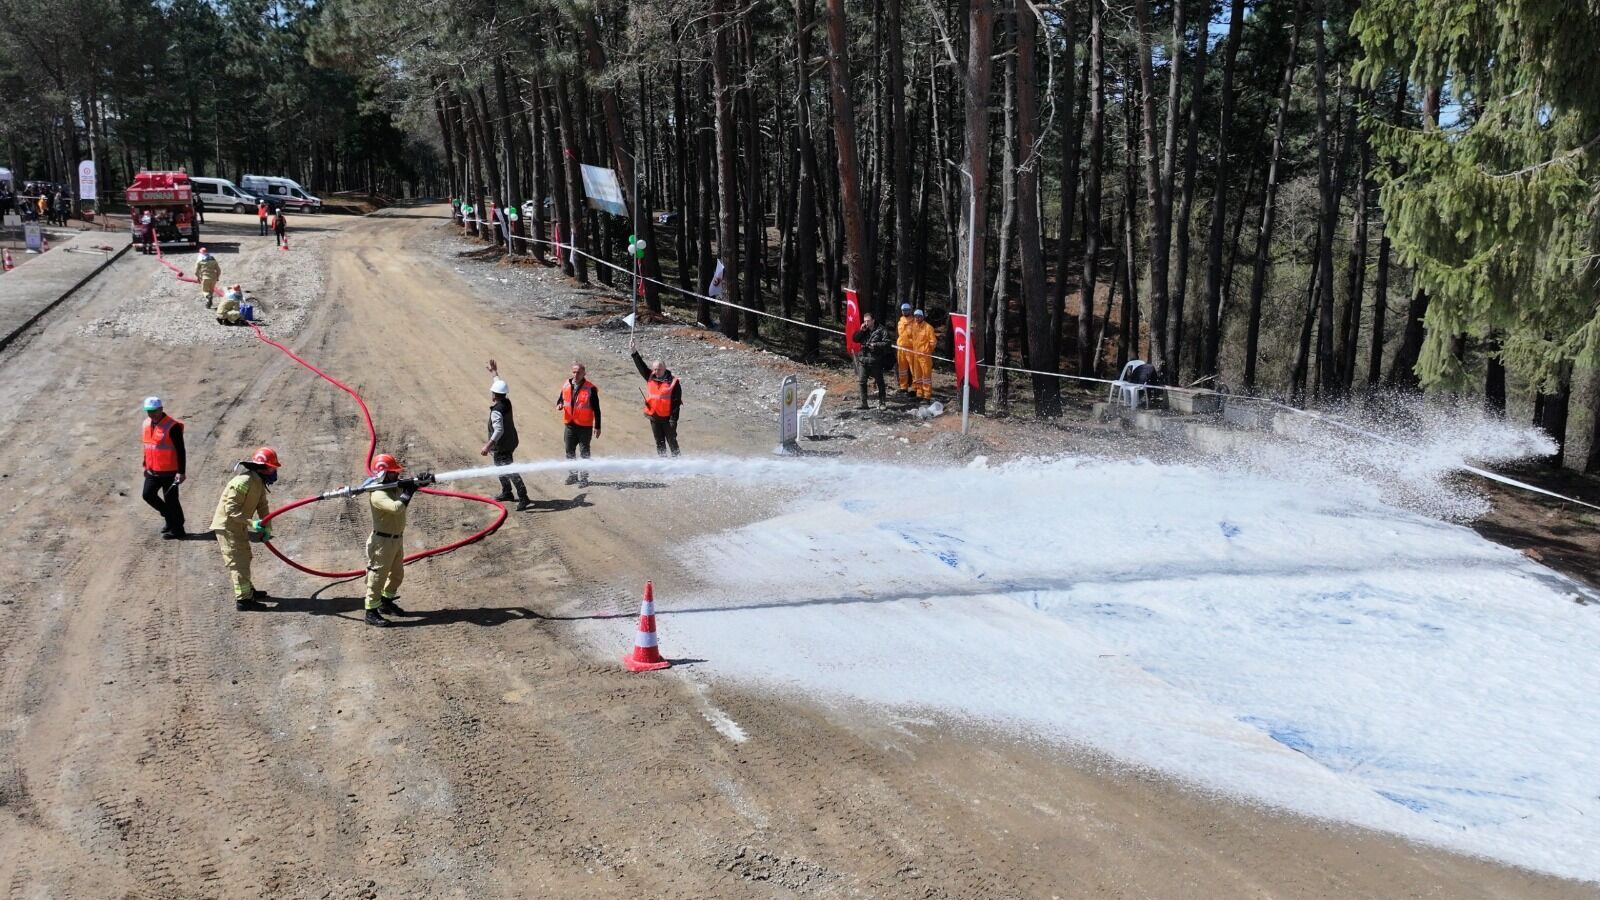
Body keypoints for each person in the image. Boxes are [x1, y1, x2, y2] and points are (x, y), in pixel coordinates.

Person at [361, 454, 434, 627]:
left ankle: (385, 602)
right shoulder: (378, 494)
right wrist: (410, 490)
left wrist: (421, 482)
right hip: (382, 542)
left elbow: (406, 489)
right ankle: (371, 611)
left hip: (396, 539)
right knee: (377, 577)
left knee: (397, 574)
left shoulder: (393, 487)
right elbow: (396, 508)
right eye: (393, 472)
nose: (397, 474)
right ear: (383, 473)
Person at [210, 447, 281, 610]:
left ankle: (248, 591)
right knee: (238, 562)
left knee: (245, 557)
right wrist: (252, 523)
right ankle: (243, 600)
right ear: (263, 467)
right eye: (272, 468)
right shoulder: (243, 482)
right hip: (227, 527)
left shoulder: (258, 482)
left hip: (238, 525)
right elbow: (231, 510)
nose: (274, 471)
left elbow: (262, 506)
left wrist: (267, 527)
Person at [480, 360, 532, 510]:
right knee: (500, 467)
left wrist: (488, 446)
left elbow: (498, 430)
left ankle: (524, 497)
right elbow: (499, 384)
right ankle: (507, 492)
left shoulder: (496, 411)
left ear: (494, 396)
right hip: (511, 441)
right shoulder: (506, 401)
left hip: (502, 445)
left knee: (509, 469)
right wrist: (494, 373)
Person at [141, 396, 187, 538]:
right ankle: (169, 517)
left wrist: (181, 472)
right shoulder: (146, 423)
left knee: (171, 500)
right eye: (149, 411)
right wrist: (145, 465)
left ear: (161, 409)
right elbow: (148, 446)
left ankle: (178, 530)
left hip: (170, 472)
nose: (151, 414)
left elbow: (181, 450)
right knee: (148, 495)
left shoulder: (172, 426)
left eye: (154, 411)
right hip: (153, 471)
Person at [630, 338, 682, 457]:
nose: (656, 371)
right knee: (659, 442)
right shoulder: (650, 376)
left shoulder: (673, 382)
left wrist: (673, 420)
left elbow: (676, 403)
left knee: (672, 441)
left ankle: (678, 461)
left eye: (659, 369)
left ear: (664, 369)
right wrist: (634, 352)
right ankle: (662, 461)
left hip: (668, 419)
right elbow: (641, 366)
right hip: (654, 417)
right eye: (654, 369)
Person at [556, 362, 601, 486]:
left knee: (584, 452)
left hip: (585, 427)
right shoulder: (566, 384)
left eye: (579, 372)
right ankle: (573, 475)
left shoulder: (591, 388)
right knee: (569, 451)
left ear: (584, 373)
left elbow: (597, 410)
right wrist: (559, 404)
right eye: (574, 372)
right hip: (570, 425)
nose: (576, 375)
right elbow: (561, 399)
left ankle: (584, 478)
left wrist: (597, 426)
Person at [852, 314, 893, 410]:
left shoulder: (881, 329)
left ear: (873, 320)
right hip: (863, 360)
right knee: (862, 381)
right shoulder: (864, 329)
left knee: (879, 382)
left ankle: (882, 403)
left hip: (876, 360)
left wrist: (876, 345)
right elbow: (855, 339)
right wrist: (861, 331)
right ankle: (864, 403)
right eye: (865, 321)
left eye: (868, 321)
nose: (866, 323)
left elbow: (888, 343)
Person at [907, 308, 938, 401]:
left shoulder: (928, 328)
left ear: (922, 317)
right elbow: (910, 337)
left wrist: (927, 351)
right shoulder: (914, 326)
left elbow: (933, 342)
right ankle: (919, 394)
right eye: (915, 316)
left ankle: (927, 396)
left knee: (926, 376)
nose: (917, 318)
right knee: (917, 376)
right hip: (916, 355)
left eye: (919, 316)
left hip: (925, 356)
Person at [895, 302, 916, 396]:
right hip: (901, 348)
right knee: (902, 369)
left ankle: (915, 388)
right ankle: (903, 387)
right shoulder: (900, 321)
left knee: (913, 369)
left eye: (907, 310)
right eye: (903, 310)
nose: (905, 311)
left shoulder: (914, 321)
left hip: (911, 349)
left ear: (910, 310)